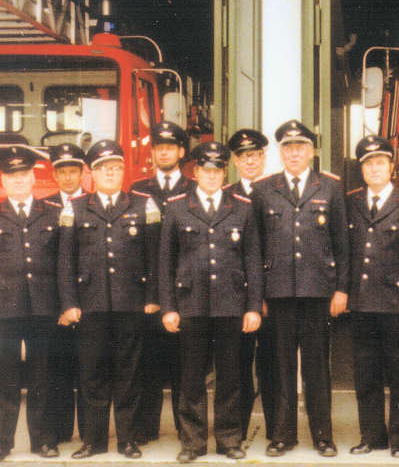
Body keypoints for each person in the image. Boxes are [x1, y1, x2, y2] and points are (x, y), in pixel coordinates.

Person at [159, 142, 264, 462]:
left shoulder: (242, 207)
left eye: (218, 170)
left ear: (223, 172)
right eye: (206, 170)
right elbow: (165, 262)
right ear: (196, 172)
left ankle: (229, 440)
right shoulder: (177, 207)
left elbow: (253, 259)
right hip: (191, 304)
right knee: (190, 378)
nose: (212, 176)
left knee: (230, 377)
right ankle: (192, 443)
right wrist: (168, 307)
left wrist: (253, 306)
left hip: (230, 304)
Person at [250, 119, 349, 458]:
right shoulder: (263, 189)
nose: (294, 153)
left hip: (317, 291)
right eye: (288, 148)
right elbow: (256, 248)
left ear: (312, 151)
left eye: (301, 147)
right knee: (280, 367)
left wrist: (341, 290)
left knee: (317, 367)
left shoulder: (331, 188)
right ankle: (283, 434)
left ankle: (322, 435)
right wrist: (258, 295)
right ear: (281, 152)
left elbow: (342, 244)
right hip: (277, 294)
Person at [58, 140, 161, 459]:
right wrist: (69, 302)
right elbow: (65, 261)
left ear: (123, 171)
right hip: (90, 305)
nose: (111, 174)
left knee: (128, 374)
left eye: (116, 168)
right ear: (92, 173)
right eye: (104, 169)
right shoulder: (75, 208)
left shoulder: (144, 204)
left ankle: (127, 440)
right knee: (92, 375)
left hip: (130, 304)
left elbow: (154, 258)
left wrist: (152, 298)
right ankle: (93, 441)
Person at [0, 146, 61, 462]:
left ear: (33, 177)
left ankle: (44, 441)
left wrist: (64, 305)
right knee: (3, 380)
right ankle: (0, 443)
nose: (19, 181)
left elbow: (64, 263)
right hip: (4, 309)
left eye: (24, 175)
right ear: (3, 181)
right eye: (12, 176)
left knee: (43, 377)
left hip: (44, 308)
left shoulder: (52, 213)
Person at [346, 135, 399, 458]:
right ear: (362, 169)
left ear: (392, 167)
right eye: (368, 164)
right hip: (362, 303)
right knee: (365, 374)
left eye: (380, 162)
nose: (374, 169)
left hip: (396, 305)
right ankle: (371, 437)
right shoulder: (351, 202)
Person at [130, 121, 193, 445]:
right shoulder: (138, 189)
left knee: (185, 364)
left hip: (185, 289)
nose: (164, 151)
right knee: (147, 362)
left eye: (170, 146)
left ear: (181, 152)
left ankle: (187, 429)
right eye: (158, 147)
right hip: (148, 289)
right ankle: (145, 428)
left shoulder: (195, 187)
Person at [227, 128, 276, 441]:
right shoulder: (227, 195)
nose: (250, 161)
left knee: (272, 364)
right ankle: (237, 429)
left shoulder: (276, 191)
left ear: (263, 157)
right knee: (237, 366)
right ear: (234, 161)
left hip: (272, 294)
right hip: (236, 296)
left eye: (256, 155)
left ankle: (276, 430)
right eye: (244, 156)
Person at [45, 143, 88, 445]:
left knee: (88, 370)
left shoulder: (93, 204)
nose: (69, 177)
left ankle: (90, 433)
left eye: (74, 171)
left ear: (83, 173)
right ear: (55, 175)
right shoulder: (44, 207)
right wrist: (62, 304)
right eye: (63, 172)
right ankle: (59, 430)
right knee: (58, 369)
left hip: (88, 302)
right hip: (57, 305)